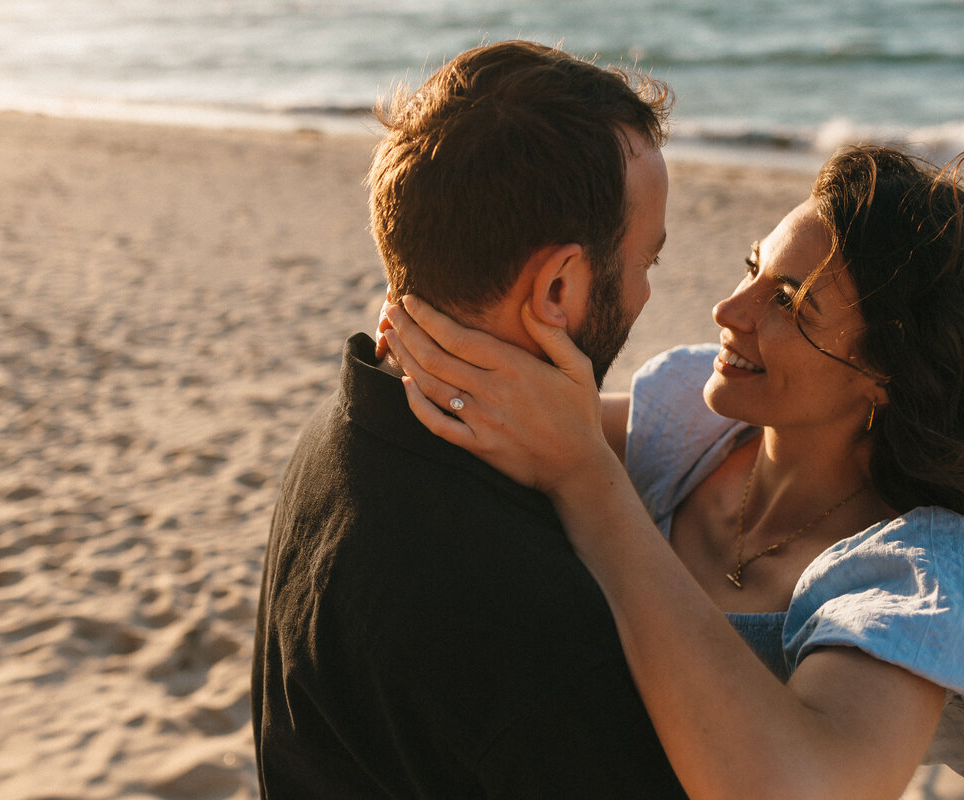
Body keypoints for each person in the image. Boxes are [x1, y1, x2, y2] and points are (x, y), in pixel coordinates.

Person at [382, 143, 964, 798]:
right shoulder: (692, 432)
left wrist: (591, 486)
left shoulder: (922, 569)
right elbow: (520, 417)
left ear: (887, 372)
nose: (729, 311)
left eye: (790, 300)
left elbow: (797, 788)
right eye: (752, 267)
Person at [251, 41, 686, 797]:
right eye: (647, 261)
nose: (646, 293)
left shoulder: (354, 424)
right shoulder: (524, 625)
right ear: (556, 289)